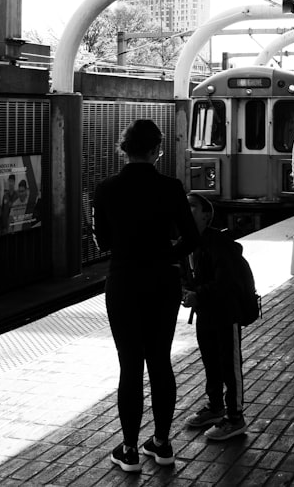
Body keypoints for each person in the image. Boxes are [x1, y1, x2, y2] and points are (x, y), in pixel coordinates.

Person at [91, 119, 200, 471]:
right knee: (159, 361)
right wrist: (168, 253)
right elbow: (192, 238)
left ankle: (129, 450)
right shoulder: (171, 187)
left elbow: (103, 242)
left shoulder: (106, 189)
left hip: (123, 283)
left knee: (130, 366)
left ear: (125, 149)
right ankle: (163, 444)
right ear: (156, 150)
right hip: (162, 284)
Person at [182, 194, 250, 441]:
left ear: (206, 215)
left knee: (229, 367)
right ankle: (215, 407)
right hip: (205, 314)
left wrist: (197, 294)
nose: (186, 209)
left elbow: (226, 282)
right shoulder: (187, 242)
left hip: (225, 312)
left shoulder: (218, 243)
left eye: (192, 206)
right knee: (210, 362)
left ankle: (235, 417)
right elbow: (186, 274)